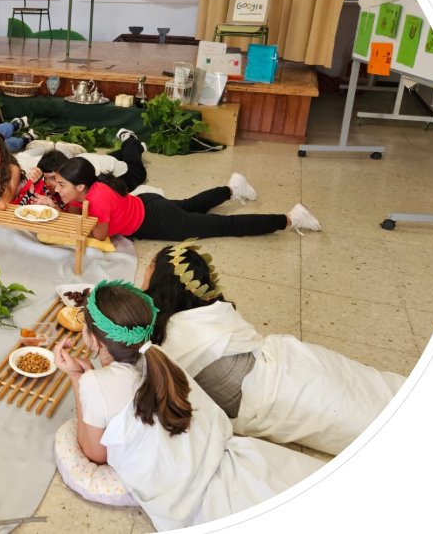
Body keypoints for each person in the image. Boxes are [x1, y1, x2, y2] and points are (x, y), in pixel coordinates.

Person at [52, 280, 322, 531]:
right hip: (225, 460)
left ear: (94, 340)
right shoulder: (159, 357)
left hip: (194, 498)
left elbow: (95, 454)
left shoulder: (95, 384)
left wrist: (77, 377)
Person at [145, 242, 405, 455]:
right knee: (361, 401)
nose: (145, 270)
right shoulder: (202, 311)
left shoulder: (174, 331)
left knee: (362, 402)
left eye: (150, 266)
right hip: (273, 379)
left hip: (271, 377)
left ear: (160, 279)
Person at [52, 155, 321, 241]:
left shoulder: (97, 199)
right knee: (193, 205)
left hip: (157, 222)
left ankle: (289, 218)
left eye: (61, 184)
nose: (57, 188)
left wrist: (67, 216)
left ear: (80, 185)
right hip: (148, 203)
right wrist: (63, 208)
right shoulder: (84, 190)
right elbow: (76, 217)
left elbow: (98, 236)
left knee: (222, 226)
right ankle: (232, 188)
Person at [15, 130, 147, 209]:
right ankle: (128, 149)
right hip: (98, 161)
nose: (49, 184)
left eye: (54, 179)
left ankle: (130, 139)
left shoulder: (87, 179)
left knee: (135, 165)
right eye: (46, 179)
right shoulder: (56, 169)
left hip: (123, 172)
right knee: (111, 157)